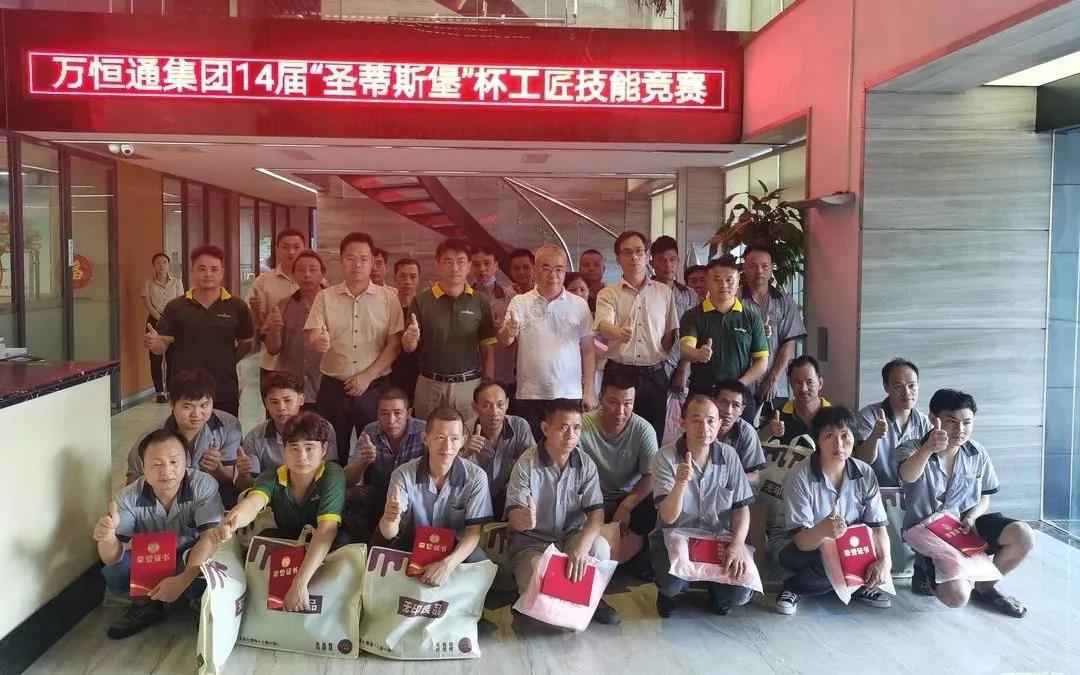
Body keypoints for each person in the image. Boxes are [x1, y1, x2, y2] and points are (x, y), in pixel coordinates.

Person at [895, 389, 1033, 616]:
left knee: (1023, 535)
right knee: (957, 597)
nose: (960, 429)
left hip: (966, 526)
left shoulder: (977, 452)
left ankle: (985, 587)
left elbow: (985, 496)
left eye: (967, 422)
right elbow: (907, 476)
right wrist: (928, 449)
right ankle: (927, 567)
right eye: (951, 422)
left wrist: (972, 516)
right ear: (933, 419)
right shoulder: (911, 447)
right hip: (927, 531)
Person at [207, 412, 347, 611]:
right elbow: (253, 503)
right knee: (265, 540)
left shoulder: (332, 475)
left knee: (340, 547)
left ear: (324, 449)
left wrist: (299, 582)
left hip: (324, 541)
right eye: (294, 448)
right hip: (291, 539)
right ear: (284, 450)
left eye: (309, 448)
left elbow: (327, 529)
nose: (302, 457)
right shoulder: (271, 477)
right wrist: (231, 522)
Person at [95, 429, 223, 639]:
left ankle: (197, 601)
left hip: (189, 555)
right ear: (143, 466)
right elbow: (111, 557)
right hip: (152, 557)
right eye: (156, 464)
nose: (166, 471)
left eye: (174, 462)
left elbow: (210, 538)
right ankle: (146, 606)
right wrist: (107, 537)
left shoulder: (203, 485)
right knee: (115, 572)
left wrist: (182, 581)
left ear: (186, 460)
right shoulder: (127, 497)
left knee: (205, 573)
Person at [505, 399, 621, 625]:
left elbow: (596, 512)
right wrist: (524, 519)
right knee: (539, 597)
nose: (570, 435)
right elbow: (513, 516)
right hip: (532, 541)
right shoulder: (527, 463)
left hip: (570, 536)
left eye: (576, 428)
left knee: (599, 547)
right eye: (563, 427)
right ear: (545, 428)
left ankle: (591, 598)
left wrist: (582, 546)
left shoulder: (585, 463)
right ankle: (537, 596)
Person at [773, 406, 892, 615]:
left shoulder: (865, 473)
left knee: (871, 553)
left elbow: (877, 527)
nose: (839, 444)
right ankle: (794, 587)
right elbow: (801, 541)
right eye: (830, 436)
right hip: (797, 546)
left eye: (845, 435)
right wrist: (823, 530)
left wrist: (885, 561)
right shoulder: (800, 476)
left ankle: (848, 584)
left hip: (846, 545)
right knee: (827, 563)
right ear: (817, 440)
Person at [651, 396, 756, 617]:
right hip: (675, 537)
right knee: (671, 584)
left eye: (710, 421)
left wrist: (738, 544)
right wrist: (680, 484)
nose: (704, 428)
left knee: (742, 592)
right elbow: (668, 517)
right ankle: (668, 593)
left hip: (717, 539)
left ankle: (718, 591)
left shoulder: (729, 456)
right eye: (696, 420)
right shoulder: (665, 457)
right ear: (682, 424)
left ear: (719, 424)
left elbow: (741, 508)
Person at [305, 232, 403, 463]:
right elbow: (314, 335)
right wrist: (319, 342)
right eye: (350, 258)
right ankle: (334, 487)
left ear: (372, 262)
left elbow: (395, 344)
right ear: (341, 261)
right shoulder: (325, 297)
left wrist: (367, 376)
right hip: (333, 388)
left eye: (363, 259)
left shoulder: (389, 299)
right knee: (329, 452)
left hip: (375, 388)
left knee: (375, 454)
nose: (357, 264)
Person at [379, 407, 494, 586]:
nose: (447, 447)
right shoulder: (403, 474)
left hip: (455, 548)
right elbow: (388, 533)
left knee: (478, 560)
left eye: (454, 438)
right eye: (440, 437)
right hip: (411, 544)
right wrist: (389, 519)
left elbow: (473, 533)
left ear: (463, 441)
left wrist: (446, 565)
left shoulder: (476, 477)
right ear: (425, 439)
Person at [144, 245, 254, 417]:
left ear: (222, 272)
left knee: (226, 432)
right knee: (184, 434)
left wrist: (227, 361)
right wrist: (154, 343)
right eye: (202, 269)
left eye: (214, 269)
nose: (208, 274)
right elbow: (161, 345)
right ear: (192, 271)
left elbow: (246, 343)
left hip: (224, 388)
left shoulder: (237, 306)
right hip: (185, 392)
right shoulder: (176, 307)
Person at [501, 245, 596, 437]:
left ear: (565, 271)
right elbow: (505, 340)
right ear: (536, 270)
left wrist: (589, 390)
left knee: (565, 446)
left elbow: (588, 350)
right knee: (530, 448)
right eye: (546, 268)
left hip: (568, 393)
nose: (553, 274)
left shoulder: (579, 305)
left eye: (559, 269)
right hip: (530, 393)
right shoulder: (520, 302)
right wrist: (509, 330)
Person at [595, 230, 678, 440]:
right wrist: (618, 333)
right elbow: (603, 325)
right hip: (619, 373)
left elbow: (670, 334)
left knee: (652, 435)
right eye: (627, 252)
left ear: (647, 255)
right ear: (618, 259)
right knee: (615, 433)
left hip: (654, 375)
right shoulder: (608, 293)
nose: (634, 257)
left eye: (639, 251)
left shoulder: (664, 292)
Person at [403, 238, 497, 419]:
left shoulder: (480, 301)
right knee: (426, 433)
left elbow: (487, 347)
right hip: (429, 384)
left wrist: (489, 384)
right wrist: (410, 338)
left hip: (468, 385)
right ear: (437, 265)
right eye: (448, 261)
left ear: (468, 266)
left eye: (460, 262)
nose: (455, 268)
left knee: (467, 434)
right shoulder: (421, 300)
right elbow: (408, 347)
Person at [678, 255, 769, 423]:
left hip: (739, 396)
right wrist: (697, 354)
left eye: (729, 280)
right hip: (702, 396)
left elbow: (762, 361)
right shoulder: (693, 315)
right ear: (708, 281)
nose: (724, 285)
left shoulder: (751, 318)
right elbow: (685, 348)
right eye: (717, 280)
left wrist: (738, 385)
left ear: (738, 281)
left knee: (743, 437)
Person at [127, 369, 242, 499]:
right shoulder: (152, 438)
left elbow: (234, 478)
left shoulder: (228, 426)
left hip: (213, 499)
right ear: (172, 404)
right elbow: (133, 479)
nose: (196, 414)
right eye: (188, 406)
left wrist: (218, 469)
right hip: (167, 502)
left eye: (204, 405)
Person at [578, 373, 659, 556]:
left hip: (626, 496)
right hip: (589, 499)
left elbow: (651, 476)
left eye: (627, 404)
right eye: (613, 402)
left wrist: (626, 506)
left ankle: (636, 557)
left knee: (652, 505)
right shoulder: (583, 425)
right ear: (601, 398)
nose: (620, 411)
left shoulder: (643, 430)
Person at [341, 386, 427, 542]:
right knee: (347, 497)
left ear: (409, 412)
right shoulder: (370, 432)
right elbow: (347, 480)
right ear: (377, 414)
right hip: (380, 493)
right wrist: (363, 461)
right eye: (384, 413)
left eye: (397, 413)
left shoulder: (424, 431)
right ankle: (363, 543)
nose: (391, 420)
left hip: (413, 497)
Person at [235, 371, 338, 490]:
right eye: (274, 402)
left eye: (287, 400)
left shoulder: (324, 429)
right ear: (266, 403)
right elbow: (247, 486)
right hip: (271, 494)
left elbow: (332, 475)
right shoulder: (254, 437)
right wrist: (243, 475)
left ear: (301, 399)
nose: (281, 408)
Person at [737, 244, 807, 405]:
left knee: (775, 421)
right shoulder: (734, 299)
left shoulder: (785, 301)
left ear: (771, 269)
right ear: (744, 268)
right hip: (741, 384)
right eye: (753, 266)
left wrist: (773, 379)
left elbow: (789, 344)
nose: (759, 271)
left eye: (764, 266)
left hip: (775, 386)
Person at [461, 381, 535, 517]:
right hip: (475, 498)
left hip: (511, 496)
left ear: (507, 404)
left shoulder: (519, 426)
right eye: (486, 406)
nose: (494, 412)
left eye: (500, 405)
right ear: (475, 407)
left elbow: (532, 466)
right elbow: (448, 472)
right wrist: (465, 454)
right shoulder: (464, 431)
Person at [854, 358, 933, 487]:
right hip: (874, 492)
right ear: (886, 387)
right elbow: (862, 460)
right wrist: (874, 436)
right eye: (898, 386)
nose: (907, 392)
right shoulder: (868, 416)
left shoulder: (925, 423)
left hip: (912, 494)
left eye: (912, 385)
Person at [263, 250, 326, 406]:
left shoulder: (334, 304)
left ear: (322, 274)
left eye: (312, 269)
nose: (307, 275)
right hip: (291, 390)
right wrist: (274, 330)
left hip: (325, 386)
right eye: (301, 270)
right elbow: (272, 349)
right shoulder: (283, 305)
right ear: (293, 275)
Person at [246, 228, 307, 385]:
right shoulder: (263, 281)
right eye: (285, 247)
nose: (291, 252)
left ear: (304, 248)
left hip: (305, 365)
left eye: (296, 247)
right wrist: (256, 310)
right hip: (273, 363)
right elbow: (258, 325)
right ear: (276, 249)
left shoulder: (316, 282)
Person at [651, 236, 699, 404]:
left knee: (677, 415)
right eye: (661, 260)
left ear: (678, 261)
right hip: (650, 366)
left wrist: (684, 367)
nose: (668, 264)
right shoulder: (643, 293)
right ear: (652, 263)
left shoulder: (689, 295)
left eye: (672, 259)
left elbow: (693, 334)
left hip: (680, 363)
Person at [471, 243, 516, 395]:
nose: (482, 269)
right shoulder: (463, 298)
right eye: (476, 264)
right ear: (470, 267)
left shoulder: (512, 298)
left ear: (496, 266)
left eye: (487, 263)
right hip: (471, 375)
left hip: (504, 374)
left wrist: (504, 330)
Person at [759, 355, 831, 445]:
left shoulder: (833, 417)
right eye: (798, 382)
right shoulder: (778, 415)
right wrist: (767, 432)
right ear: (791, 384)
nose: (804, 389)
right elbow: (754, 444)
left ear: (820, 383)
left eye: (809, 382)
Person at [141, 252, 184, 403]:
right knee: (155, 358)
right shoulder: (147, 282)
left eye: (165, 262)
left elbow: (180, 303)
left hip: (173, 322)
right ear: (154, 266)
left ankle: (172, 390)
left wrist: (169, 320)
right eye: (158, 263)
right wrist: (161, 319)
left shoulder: (177, 282)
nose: (162, 265)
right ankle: (159, 392)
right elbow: (148, 305)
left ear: (169, 264)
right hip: (154, 321)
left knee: (172, 358)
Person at [712, 379, 769, 480]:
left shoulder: (747, 432)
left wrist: (728, 480)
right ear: (713, 402)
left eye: (736, 405)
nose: (729, 411)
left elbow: (755, 477)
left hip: (733, 487)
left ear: (742, 410)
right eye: (724, 402)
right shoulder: (700, 424)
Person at [390, 257, 422, 398]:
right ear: (395, 279)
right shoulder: (387, 307)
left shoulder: (425, 308)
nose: (407, 281)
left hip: (420, 372)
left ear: (419, 279)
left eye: (413, 277)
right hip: (391, 371)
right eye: (402, 276)